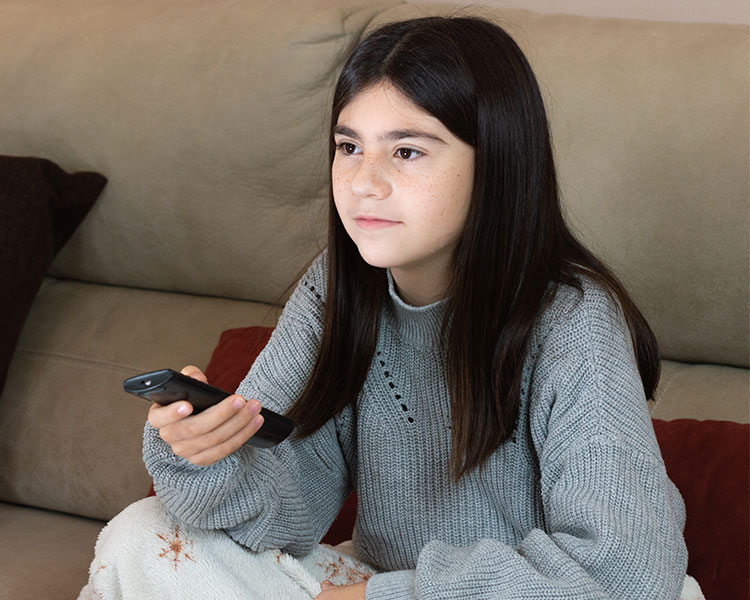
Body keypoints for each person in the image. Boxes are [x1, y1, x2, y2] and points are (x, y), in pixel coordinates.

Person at [80, 15, 694, 600]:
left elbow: (627, 572)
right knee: (143, 536)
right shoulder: (336, 288)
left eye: (406, 151)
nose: (362, 182)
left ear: (497, 164)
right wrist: (203, 456)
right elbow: (286, 513)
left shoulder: (573, 322)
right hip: (382, 581)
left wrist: (384, 595)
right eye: (349, 146)